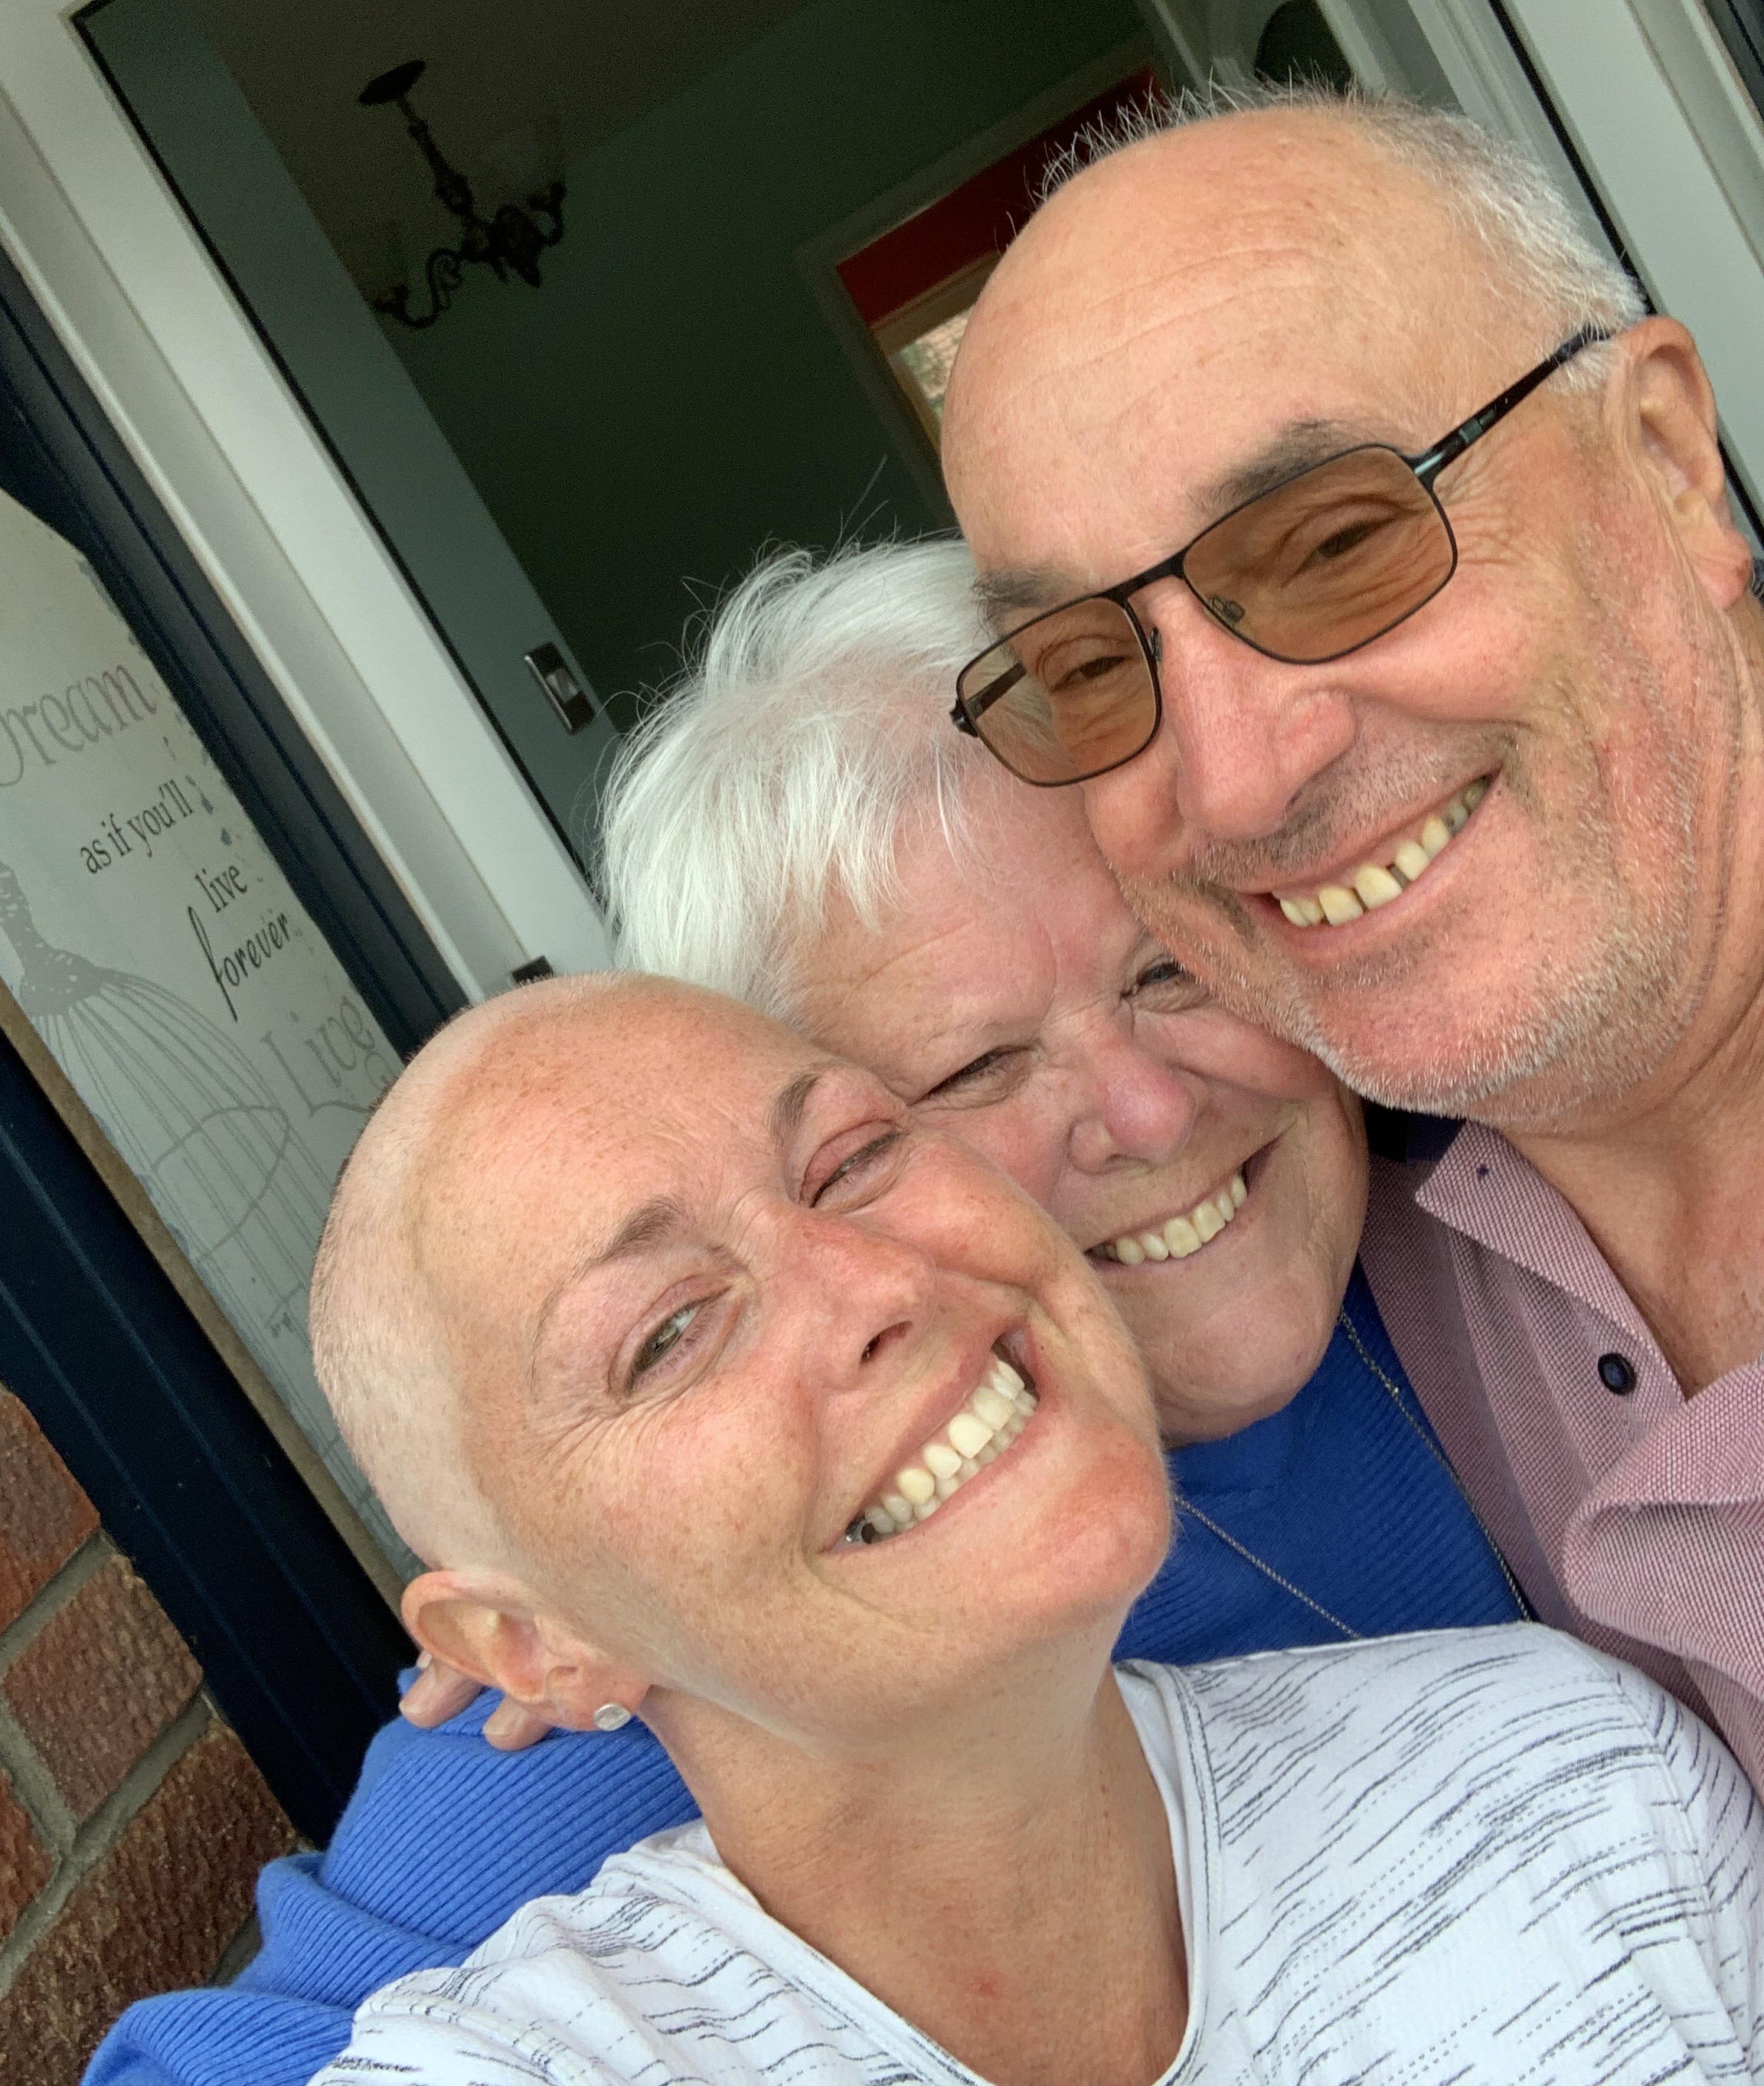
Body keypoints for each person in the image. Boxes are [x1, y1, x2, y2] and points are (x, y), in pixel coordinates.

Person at [87, 544, 1521, 2086]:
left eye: (1168, 968)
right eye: (972, 1072)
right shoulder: (685, 1680)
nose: (1149, 1108)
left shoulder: (1496, 1181)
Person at [306, 971, 1764, 2086]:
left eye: (853, 1158)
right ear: (526, 1647)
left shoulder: (1577, 1779)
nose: (878, 1282)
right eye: (670, 1333)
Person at [940, 87, 1764, 1781]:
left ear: (1670, 460)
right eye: (1091, 663)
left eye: (1335, 541)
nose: (1239, 780)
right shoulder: (1321, 1215)